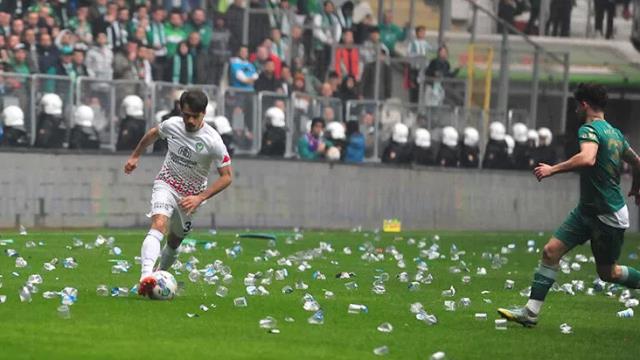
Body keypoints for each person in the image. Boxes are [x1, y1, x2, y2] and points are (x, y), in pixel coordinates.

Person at [498, 82, 640, 326]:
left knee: (609, 273)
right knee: (550, 252)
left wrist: (553, 169)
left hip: (608, 215)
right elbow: (638, 162)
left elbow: (587, 158)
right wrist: (636, 187)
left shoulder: (589, 129)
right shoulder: (615, 134)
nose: (575, 109)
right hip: (587, 210)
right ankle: (530, 313)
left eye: (576, 105)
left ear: (583, 104)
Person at [124, 90, 232, 297]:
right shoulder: (172, 124)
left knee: (174, 242)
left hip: (191, 198)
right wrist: (135, 156)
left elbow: (227, 176)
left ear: (204, 113)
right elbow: (153, 134)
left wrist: (200, 198)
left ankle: (158, 275)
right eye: (186, 115)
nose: (189, 120)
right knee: (158, 224)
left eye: (195, 116)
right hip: (166, 184)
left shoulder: (213, 141)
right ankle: (145, 277)